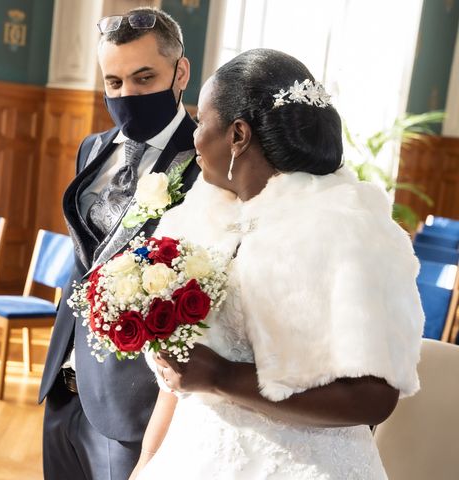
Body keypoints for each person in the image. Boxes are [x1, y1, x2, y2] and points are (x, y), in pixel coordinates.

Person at [131, 48, 424, 479]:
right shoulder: (206, 218)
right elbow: (182, 384)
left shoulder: (344, 228)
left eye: (201, 120)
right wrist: (148, 460)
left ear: (237, 135)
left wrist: (224, 377)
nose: (193, 135)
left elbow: (374, 398)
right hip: (196, 451)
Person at [38, 7, 200, 480]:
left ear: (180, 72)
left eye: (144, 77)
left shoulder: (206, 164)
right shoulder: (92, 149)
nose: (127, 94)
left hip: (131, 403)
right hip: (64, 384)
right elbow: (84, 259)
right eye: (114, 83)